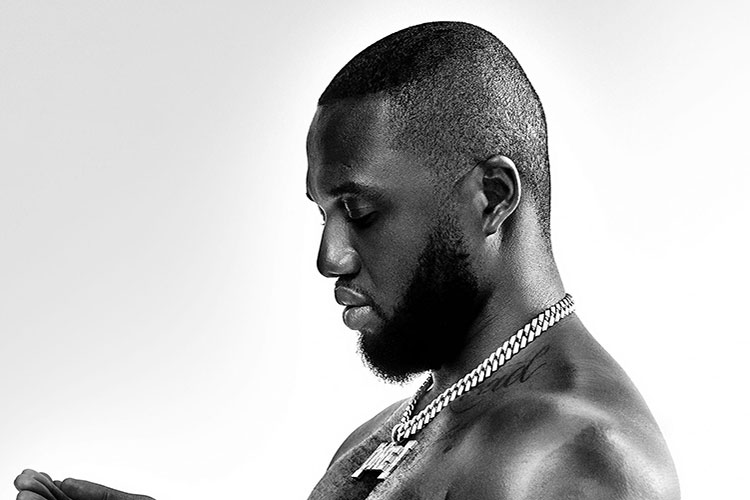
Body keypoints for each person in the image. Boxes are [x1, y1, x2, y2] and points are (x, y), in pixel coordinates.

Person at [15, 21, 679, 500]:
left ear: (493, 198)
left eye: (359, 213)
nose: (329, 258)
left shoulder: (574, 461)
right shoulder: (402, 426)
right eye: (323, 213)